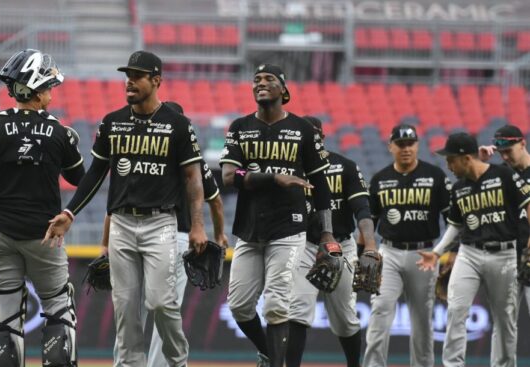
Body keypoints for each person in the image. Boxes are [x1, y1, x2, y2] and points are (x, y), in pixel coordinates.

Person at [43, 50, 208, 367]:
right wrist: (69, 213)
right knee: (126, 310)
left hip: (161, 223)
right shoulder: (112, 122)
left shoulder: (177, 125)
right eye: (127, 77)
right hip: (121, 224)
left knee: (161, 302)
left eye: (137, 77)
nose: (129, 82)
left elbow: (192, 178)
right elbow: (94, 173)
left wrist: (198, 225)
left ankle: (177, 360)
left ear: (156, 80)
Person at [0, 49, 84, 367]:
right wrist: (71, 144)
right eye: (49, 86)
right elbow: (78, 177)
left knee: (7, 316)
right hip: (44, 234)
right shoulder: (59, 131)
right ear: (37, 88)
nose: (52, 92)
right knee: (58, 310)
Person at [219, 64, 335, 367]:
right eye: (256, 80)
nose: (261, 83)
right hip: (249, 226)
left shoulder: (304, 130)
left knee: (276, 304)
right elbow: (230, 176)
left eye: (269, 79)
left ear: (284, 91)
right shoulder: (240, 127)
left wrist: (327, 233)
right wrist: (273, 178)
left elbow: (321, 184)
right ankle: (270, 353)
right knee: (240, 306)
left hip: (289, 226)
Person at [103, 101, 228, 367]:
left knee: (130, 311)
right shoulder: (193, 160)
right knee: (164, 310)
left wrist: (105, 244)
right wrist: (219, 236)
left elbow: (116, 206)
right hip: (179, 238)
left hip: (151, 233)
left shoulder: (149, 155)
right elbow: (215, 201)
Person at [418, 132, 529, 367]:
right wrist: (437, 252)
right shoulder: (459, 188)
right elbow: (455, 226)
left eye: (451, 159)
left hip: (504, 254)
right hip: (470, 253)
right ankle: (453, 365)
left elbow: (528, 206)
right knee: (456, 310)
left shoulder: (504, 175)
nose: (448, 165)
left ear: (466, 158)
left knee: (505, 320)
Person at [286, 116, 376, 367]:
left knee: (344, 318)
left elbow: (362, 208)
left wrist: (369, 244)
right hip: (303, 244)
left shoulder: (343, 165)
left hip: (341, 245)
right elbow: (243, 172)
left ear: (322, 137)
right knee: (298, 309)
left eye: (312, 134)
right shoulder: (289, 168)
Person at [362, 124, 449, 367]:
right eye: (400, 144)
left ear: (417, 145)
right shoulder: (380, 179)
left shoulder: (434, 176)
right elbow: (370, 221)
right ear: (391, 147)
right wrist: (364, 252)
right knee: (380, 311)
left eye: (411, 143)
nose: (406, 149)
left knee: (422, 320)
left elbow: (451, 218)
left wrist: (447, 251)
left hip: (424, 253)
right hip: (389, 251)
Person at [478, 125, 530, 318]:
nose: (505, 157)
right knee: (503, 324)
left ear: (522, 143)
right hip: (508, 258)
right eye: (501, 153)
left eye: (508, 151)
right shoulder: (500, 175)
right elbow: (472, 201)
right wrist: (482, 165)